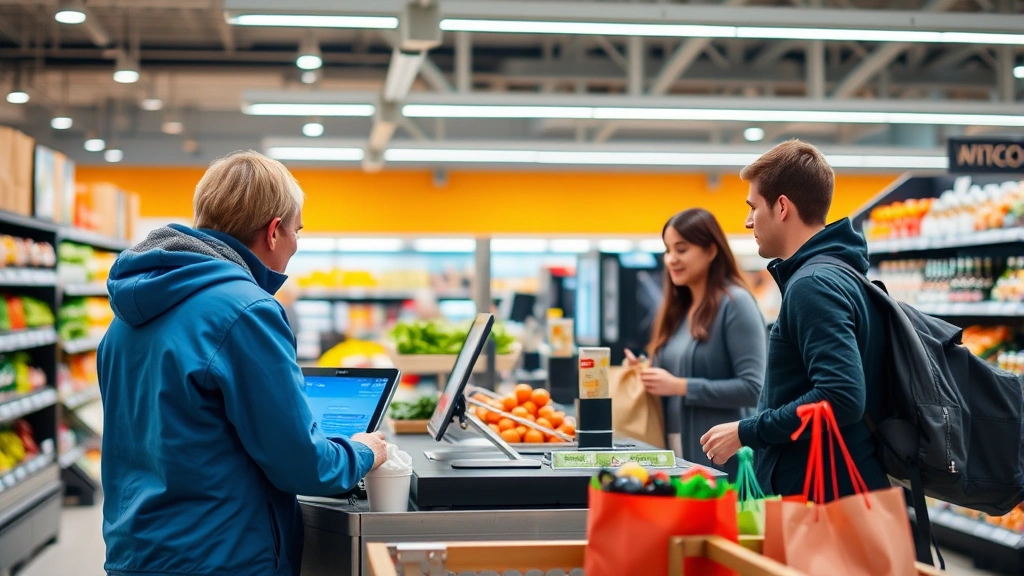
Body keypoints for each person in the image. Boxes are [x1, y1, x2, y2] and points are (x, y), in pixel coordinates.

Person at [97, 151, 389, 576]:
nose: (295, 246)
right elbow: (301, 464)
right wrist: (361, 452)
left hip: (136, 551)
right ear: (273, 232)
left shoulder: (128, 311)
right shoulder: (246, 310)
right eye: (296, 231)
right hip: (218, 556)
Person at [700, 140, 890, 500]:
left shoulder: (813, 285)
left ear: (782, 206)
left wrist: (747, 431)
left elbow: (842, 396)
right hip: (838, 487)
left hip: (821, 500)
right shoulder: (841, 273)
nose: (747, 220)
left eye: (753, 207)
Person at [625, 208, 765, 478]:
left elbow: (753, 388)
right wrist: (645, 371)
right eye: (668, 250)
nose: (671, 260)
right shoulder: (678, 311)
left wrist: (679, 386)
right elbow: (675, 372)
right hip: (676, 453)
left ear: (711, 251)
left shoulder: (736, 304)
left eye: (682, 249)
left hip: (723, 462)